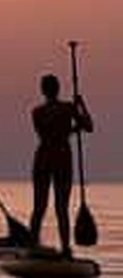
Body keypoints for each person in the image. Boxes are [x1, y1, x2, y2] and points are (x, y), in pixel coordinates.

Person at [29, 73, 93, 256]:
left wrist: (74, 121)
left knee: (40, 206)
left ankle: (35, 245)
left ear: (43, 91)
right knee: (60, 207)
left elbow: (49, 133)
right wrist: (81, 106)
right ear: (57, 89)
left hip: (45, 157)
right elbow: (88, 126)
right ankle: (64, 247)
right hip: (60, 158)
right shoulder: (68, 108)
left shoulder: (37, 112)